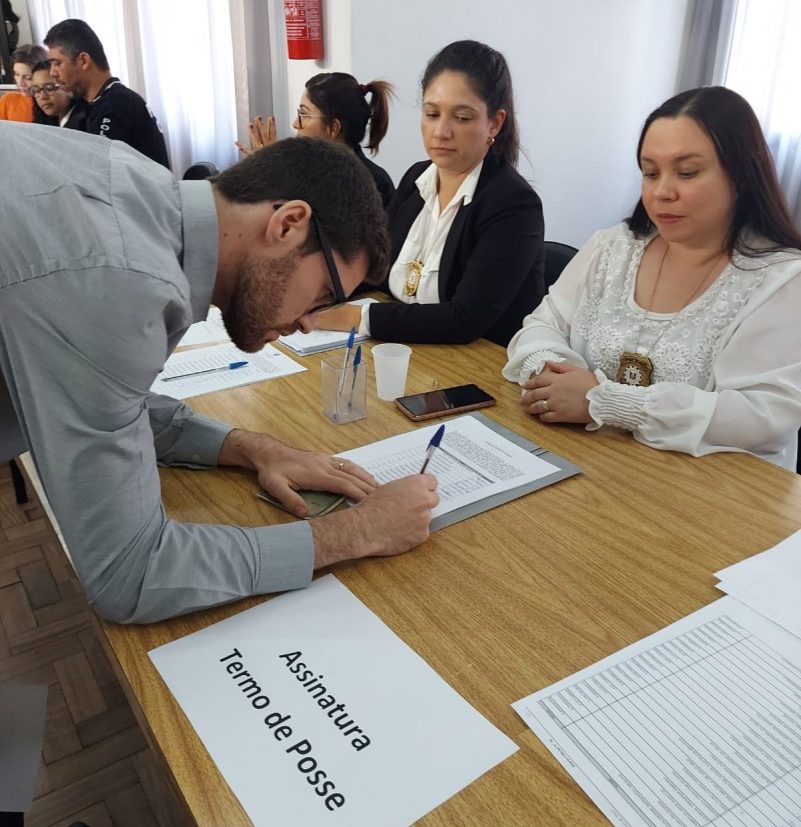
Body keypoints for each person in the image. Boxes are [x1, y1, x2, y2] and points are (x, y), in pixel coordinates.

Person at [0, 123, 438, 624]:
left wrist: (251, 448)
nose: (309, 324)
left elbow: (101, 399)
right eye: (324, 295)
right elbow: (130, 575)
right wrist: (359, 531)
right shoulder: (121, 281)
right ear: (289, 223)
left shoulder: (132, 188)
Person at [504, 86, 801, 470]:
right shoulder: (613, 246)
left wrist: (607, 402)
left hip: (710, 488)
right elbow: (542, 325)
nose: (662, 192)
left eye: (687, 172)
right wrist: (552, 374)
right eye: (650, 173)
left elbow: (763, 417)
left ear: (741, 176)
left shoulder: (780, 279)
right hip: (589, 465)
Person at [311, 40, 545, 347]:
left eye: (462, 118)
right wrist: (320, 295)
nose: (441, 132)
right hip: (410, 349)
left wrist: (356, 317)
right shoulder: (417, 178)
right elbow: (377, 268)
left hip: (480, 363)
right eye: (432, 114)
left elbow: (464, 320)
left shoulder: (514, 205)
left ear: (494, 124)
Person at [238, 72, 395, 207]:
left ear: (333, 127)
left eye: (304, 114)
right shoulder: (305, 168)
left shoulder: (366, 183)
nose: (295, 123)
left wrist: (271, 173)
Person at [45, 18, 170, 167]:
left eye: (57, 63)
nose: (52, 73)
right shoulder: (100, 103)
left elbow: (99, 171)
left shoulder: (116, 104)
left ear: (84, 61)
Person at [29, 59, 87, 129]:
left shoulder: (85, 122)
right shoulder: (49, 122)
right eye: (36, 90)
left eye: (49, 88)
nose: (42, 97)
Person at [0, 43, 47, 122]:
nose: (20, 82)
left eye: (28, 77)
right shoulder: (7, 100)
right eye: (17, 74)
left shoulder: (51, 104)